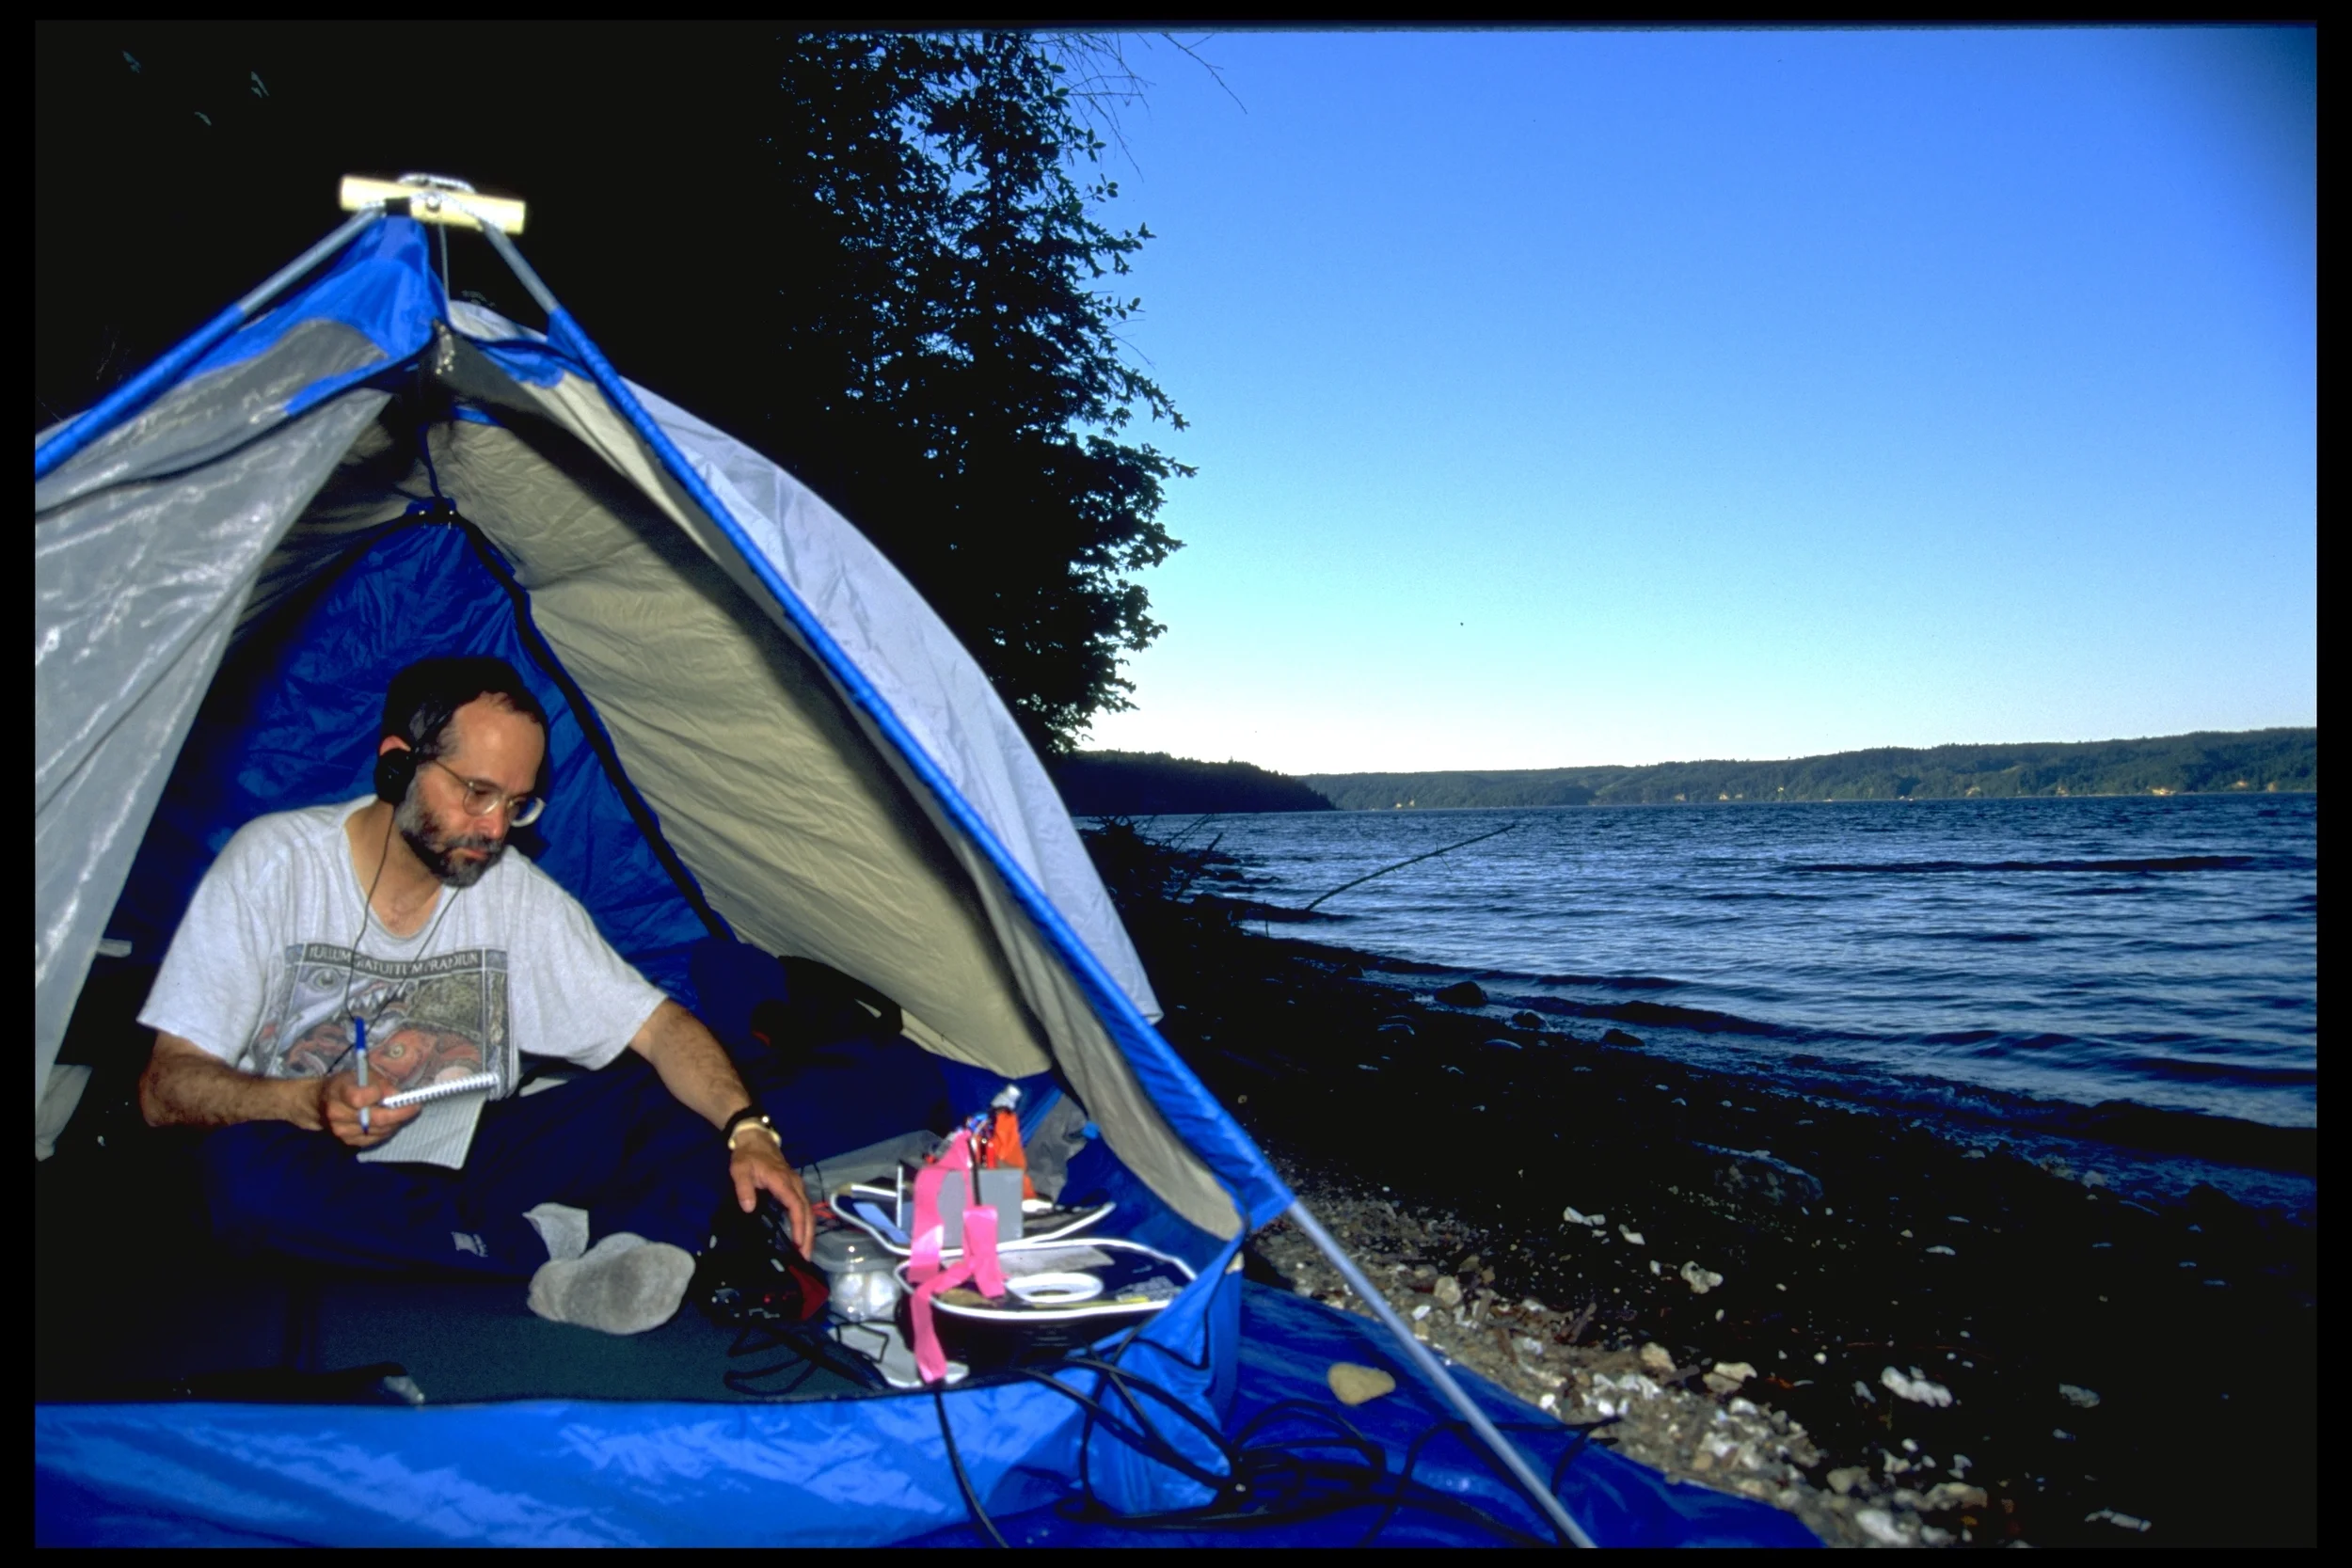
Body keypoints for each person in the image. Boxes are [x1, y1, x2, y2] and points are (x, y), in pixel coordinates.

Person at [135, 656, 811, 1336]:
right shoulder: (273, 865)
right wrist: (303, 1102)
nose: (494, 829)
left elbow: (661, 1027)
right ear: (396, 764)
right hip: (312, 1158)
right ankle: (553, 1243)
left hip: (470, 1158)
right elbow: (165, 1089)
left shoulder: (514, 893)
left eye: (517, 805)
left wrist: (749, 1131)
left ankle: (622, 1248)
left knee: (687, 1087)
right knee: (239, 1178)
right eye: (476, 793)